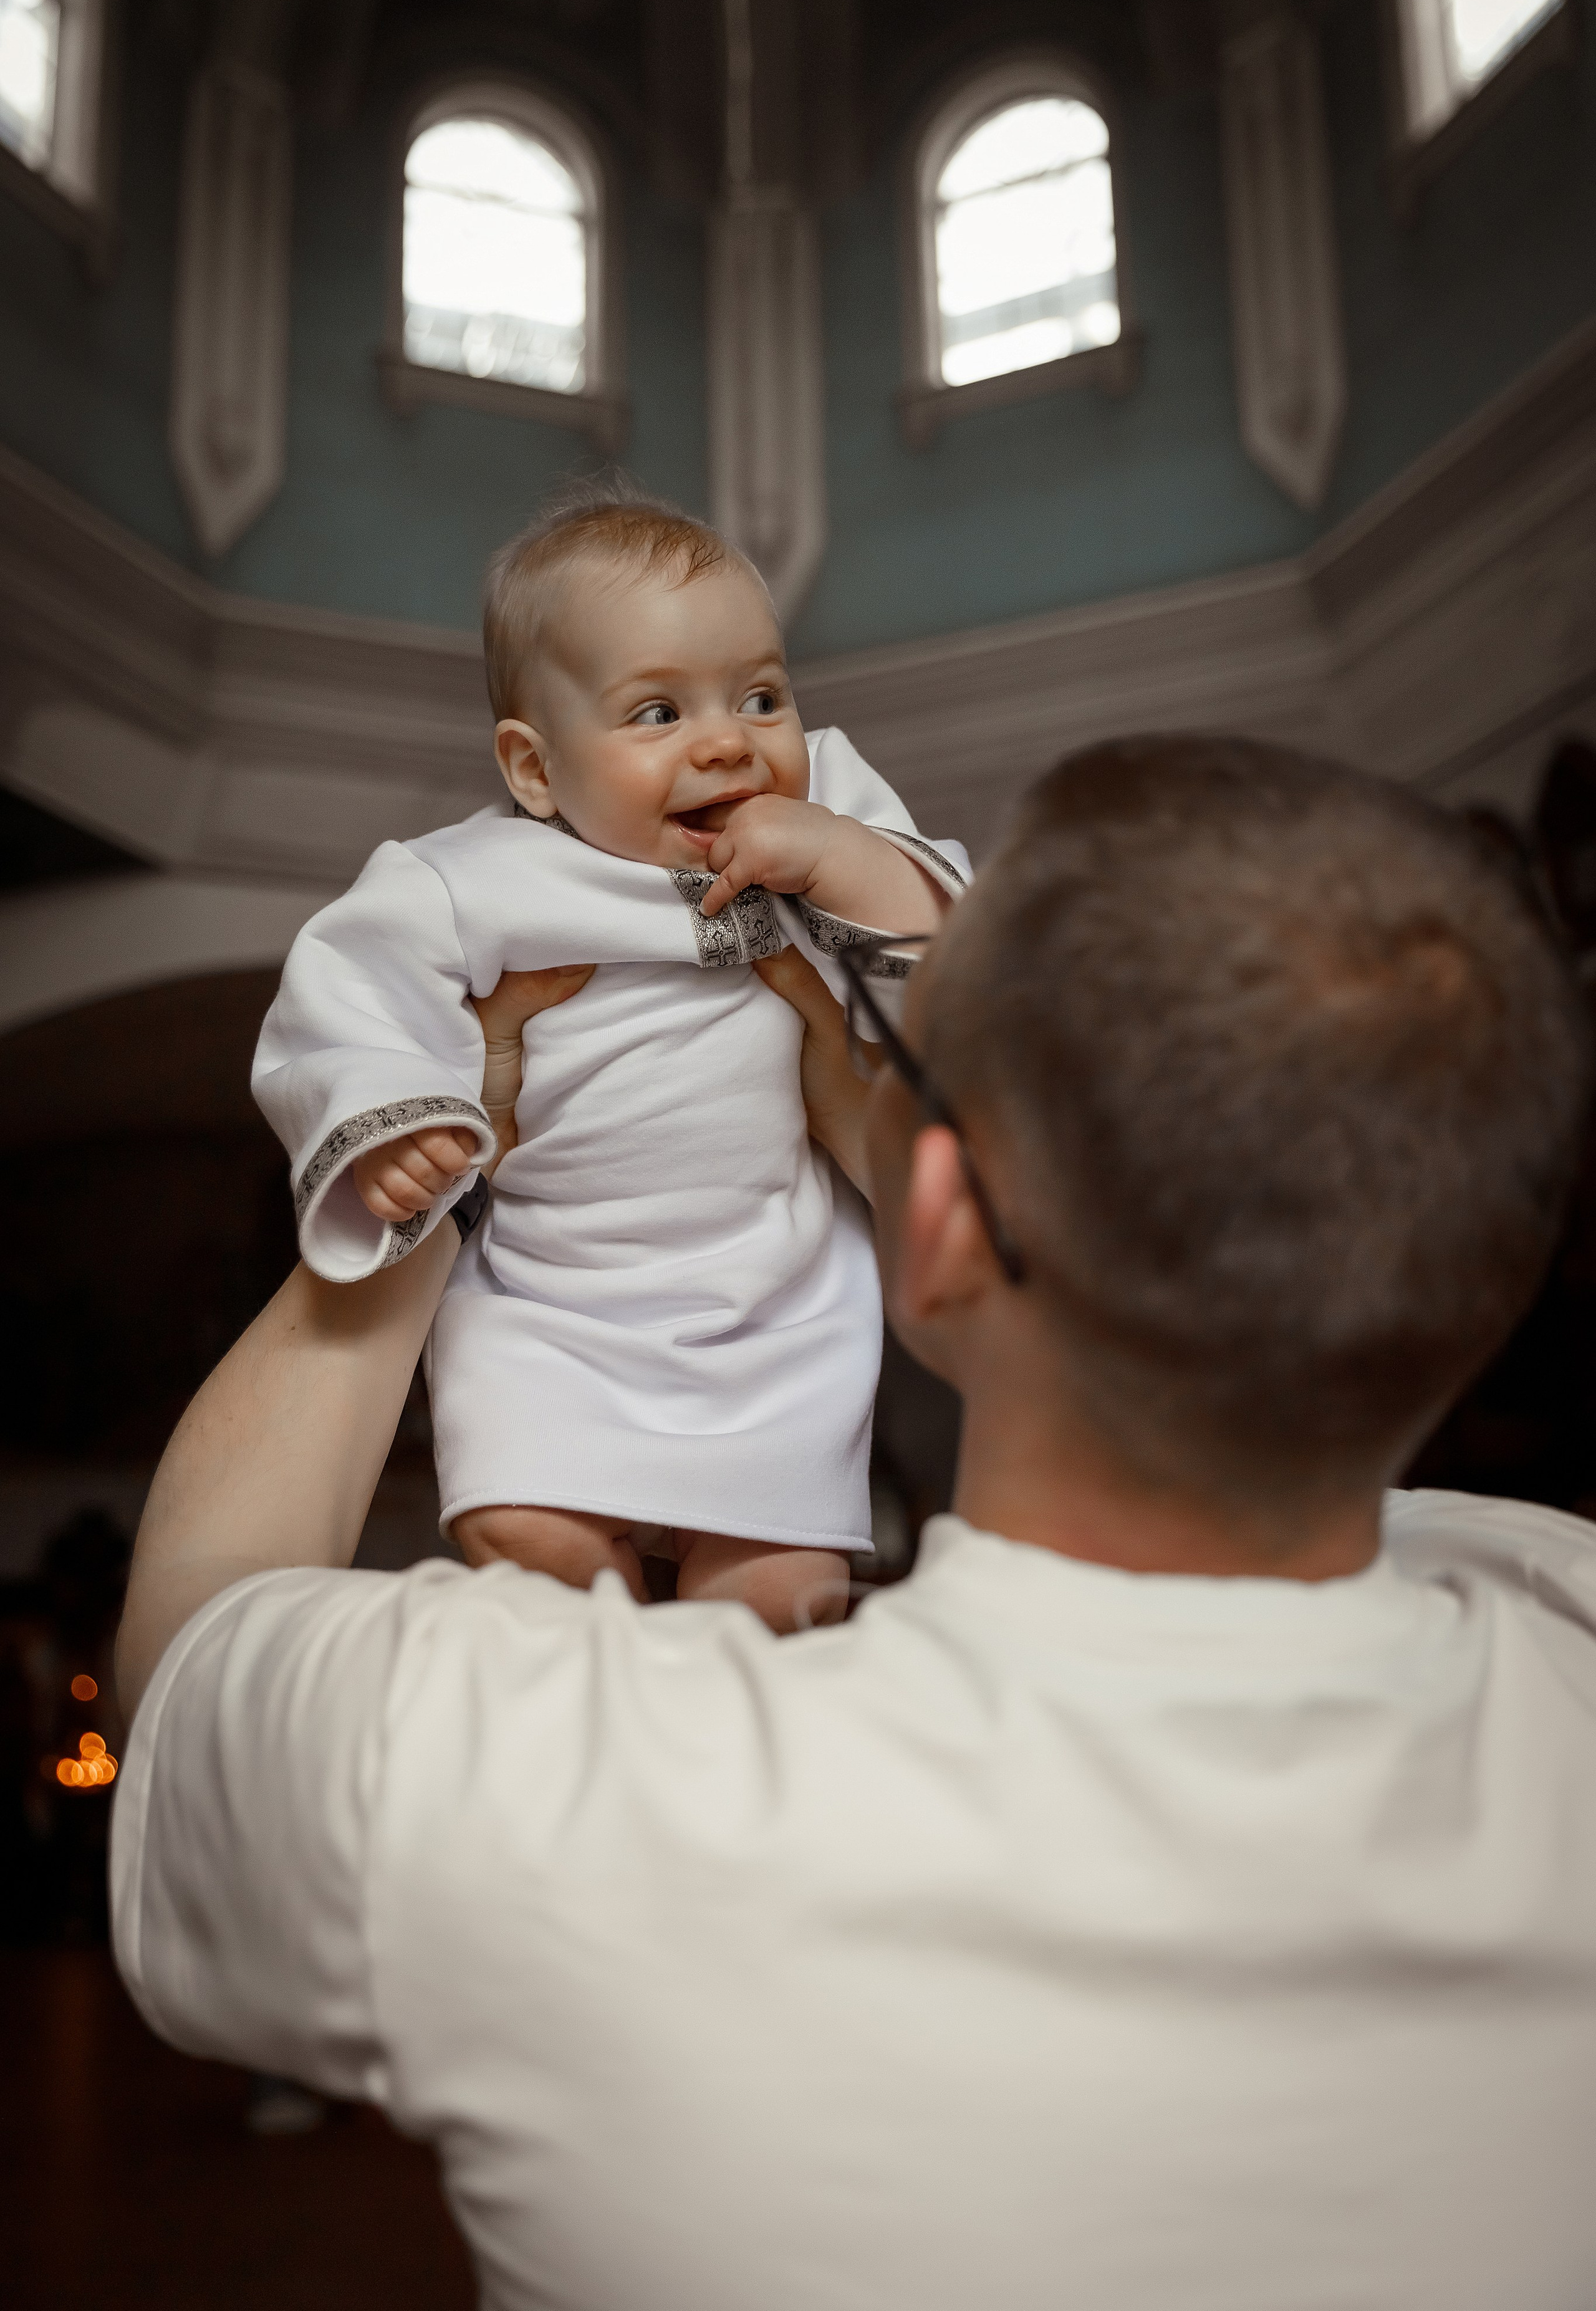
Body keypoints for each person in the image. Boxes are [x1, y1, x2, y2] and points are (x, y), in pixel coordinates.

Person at [113, 735, 1596, 2311]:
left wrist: (429, 1187)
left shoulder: (550, 1782)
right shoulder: (1558, 1616)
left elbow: (189, 1650)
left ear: (942, 1223)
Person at [252, 485, 964, 1630]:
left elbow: (954, 963)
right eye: (657, 713)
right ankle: (606, 1684)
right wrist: (395, 1119)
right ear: (535, 771)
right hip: (555, 1312)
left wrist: (845, 856)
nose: (728, 741)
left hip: (774, 1315)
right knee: (524, 1531)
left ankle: (714, 1714)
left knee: (781, 1595)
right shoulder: (471, 877)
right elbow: (346, 995)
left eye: (763, 697)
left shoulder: (830, 806)